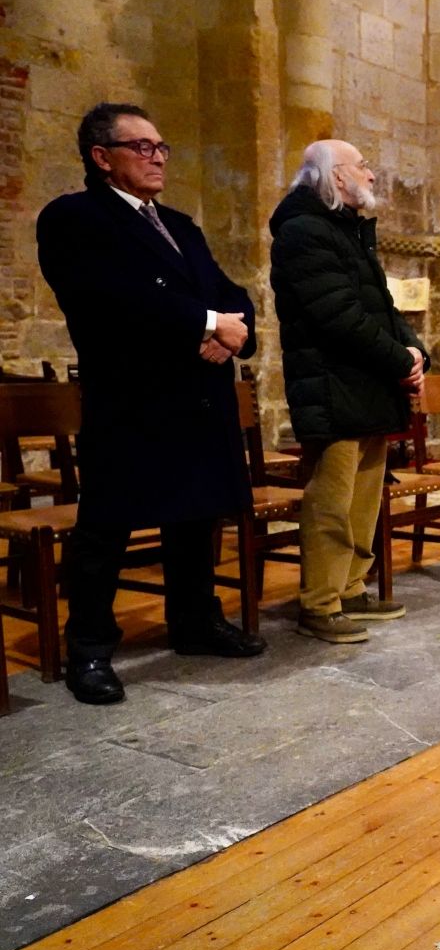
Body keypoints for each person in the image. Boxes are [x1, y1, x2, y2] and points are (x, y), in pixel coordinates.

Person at [36, 102, 266, 704]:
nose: (158, 156)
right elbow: (110, 299)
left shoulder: (181, 225)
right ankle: (88, 647)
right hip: (133, 395)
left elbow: (230, 292)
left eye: (162, 146)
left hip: (197, 392)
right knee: (107, 525)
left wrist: (227, 327)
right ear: (101, 157)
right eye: (142, 147)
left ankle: (193, 620)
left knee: (196, 515)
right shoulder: (75, 218)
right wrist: (212, 321)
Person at [269, 140, 428, 644]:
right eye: (363, 166)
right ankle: (319, 602)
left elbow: (381, 305)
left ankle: (352, 588)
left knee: (363, 499)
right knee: (331, 502)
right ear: (336, 176)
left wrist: (415, 349)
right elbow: (339, 317)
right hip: (332, 385)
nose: (372, 175)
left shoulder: (347, 230)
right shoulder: (303, 233)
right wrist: (399, 360)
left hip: (366, 385)